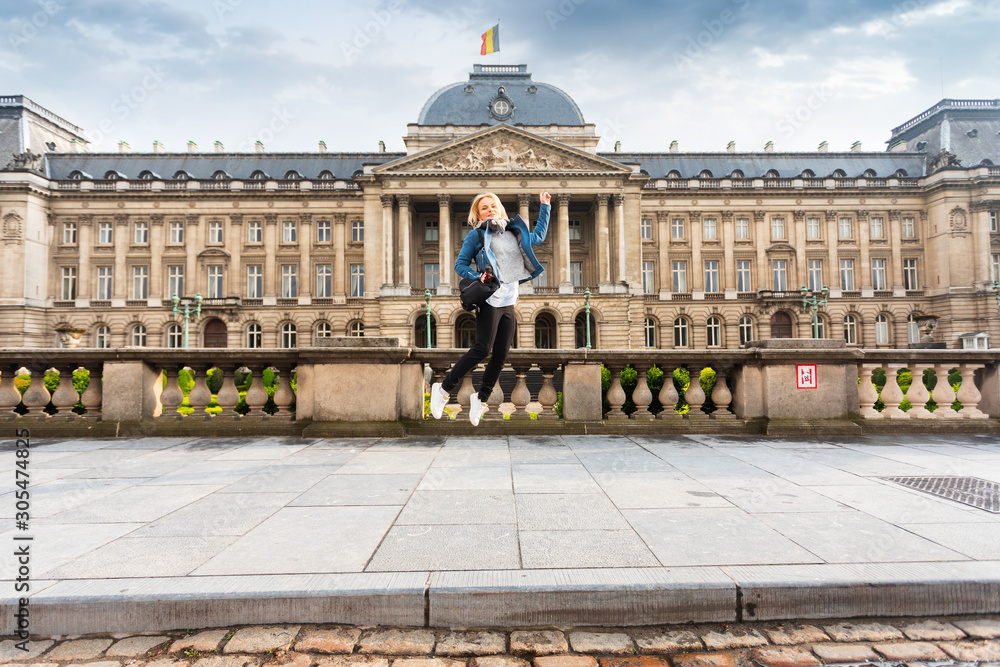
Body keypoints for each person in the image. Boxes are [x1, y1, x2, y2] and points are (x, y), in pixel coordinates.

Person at [430, 191, 551, 425]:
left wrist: (545, 206)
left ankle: (481, 398)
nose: (490, 210)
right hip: (491, 298)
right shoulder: (477, 235)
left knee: (501, 354)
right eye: (484, 207)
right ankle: (443, 390)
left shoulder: (514, 232)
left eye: (493, 206)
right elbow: (460, 264)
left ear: (500, 208)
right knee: (482, 349)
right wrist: (479, 276)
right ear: (477, 213)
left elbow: (539, 236)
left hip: (509, 298)